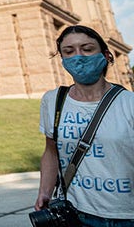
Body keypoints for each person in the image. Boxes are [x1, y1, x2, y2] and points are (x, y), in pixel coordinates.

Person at [34, 25, 134, 226]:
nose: (78, 57)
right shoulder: (53, 101)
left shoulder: (129, 103)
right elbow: (51, 151)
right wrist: (45, 191)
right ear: (62, 59)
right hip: (76, 213)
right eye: (69, 51)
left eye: (87, 49)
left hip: (126, 215)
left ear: (105, 55)